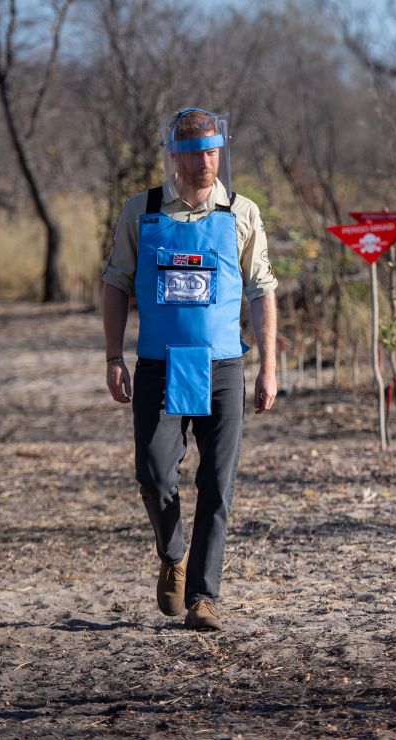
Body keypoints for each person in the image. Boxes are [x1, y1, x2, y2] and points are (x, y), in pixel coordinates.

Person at [101, 107, 278, 631]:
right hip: (159, 364)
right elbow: (115, 283)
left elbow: (262, 288)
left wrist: (269, 366)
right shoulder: (143, 211)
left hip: (223, 365)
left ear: (222, 149)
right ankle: (173, 552)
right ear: (172, 155)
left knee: (217, 483)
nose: (205, 161)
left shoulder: (241, 212)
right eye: (193, 151)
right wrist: (114, 356)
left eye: (212, 150)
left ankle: (204, 595)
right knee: (154, 473)